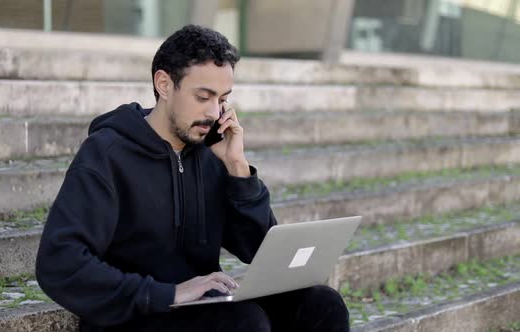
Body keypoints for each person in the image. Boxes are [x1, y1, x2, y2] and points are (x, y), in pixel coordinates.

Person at [35, 24, 350, 332]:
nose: (215, 113)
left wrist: (237, 169)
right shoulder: (106, 155)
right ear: (164, 84)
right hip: (135, 314)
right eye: (203, 96)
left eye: (223, 98)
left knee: (321, 304)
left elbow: (257, 249)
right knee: (243, 323)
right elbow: (59, 263)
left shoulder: (210, 154)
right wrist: (168, 294)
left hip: (201, 308)